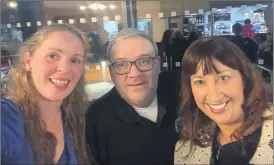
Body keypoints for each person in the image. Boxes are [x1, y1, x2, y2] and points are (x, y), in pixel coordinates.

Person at [86, 28, 180, 165]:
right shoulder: (97, 119)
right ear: (111, 73)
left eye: (144, 61)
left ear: (158, 64)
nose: (134, 74)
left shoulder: (183, 90)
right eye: (122, 64)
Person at [1, 24, 93, 164]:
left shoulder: (75, 119)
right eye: (52, 56)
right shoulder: (7, 117)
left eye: (75, 60)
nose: (64, 69)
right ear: (28, 61)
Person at [174, 37, 273, 165]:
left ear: (245, 79)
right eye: (200, 82)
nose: (214, 95)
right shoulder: (187, 148)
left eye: (223, 78)